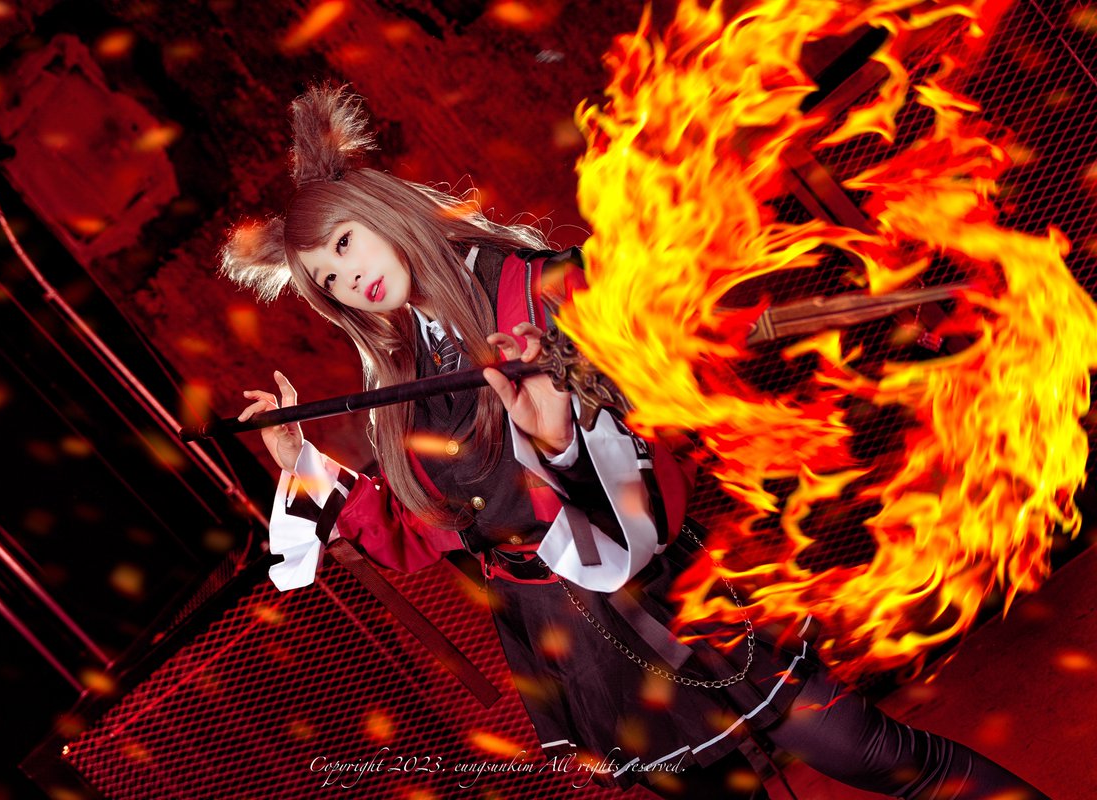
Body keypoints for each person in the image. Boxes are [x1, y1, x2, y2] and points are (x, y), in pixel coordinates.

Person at [221, 85, 1049, 800]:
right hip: (578, 641)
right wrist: (307, 470)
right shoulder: (402, 385)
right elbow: (427, 529)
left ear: (380, 212)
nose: (350, 278)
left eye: (345, 244)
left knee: (867, 750)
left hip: (670, 584)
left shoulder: (538, 288)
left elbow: (651, 400)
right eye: (328, 280)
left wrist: (561, 433)